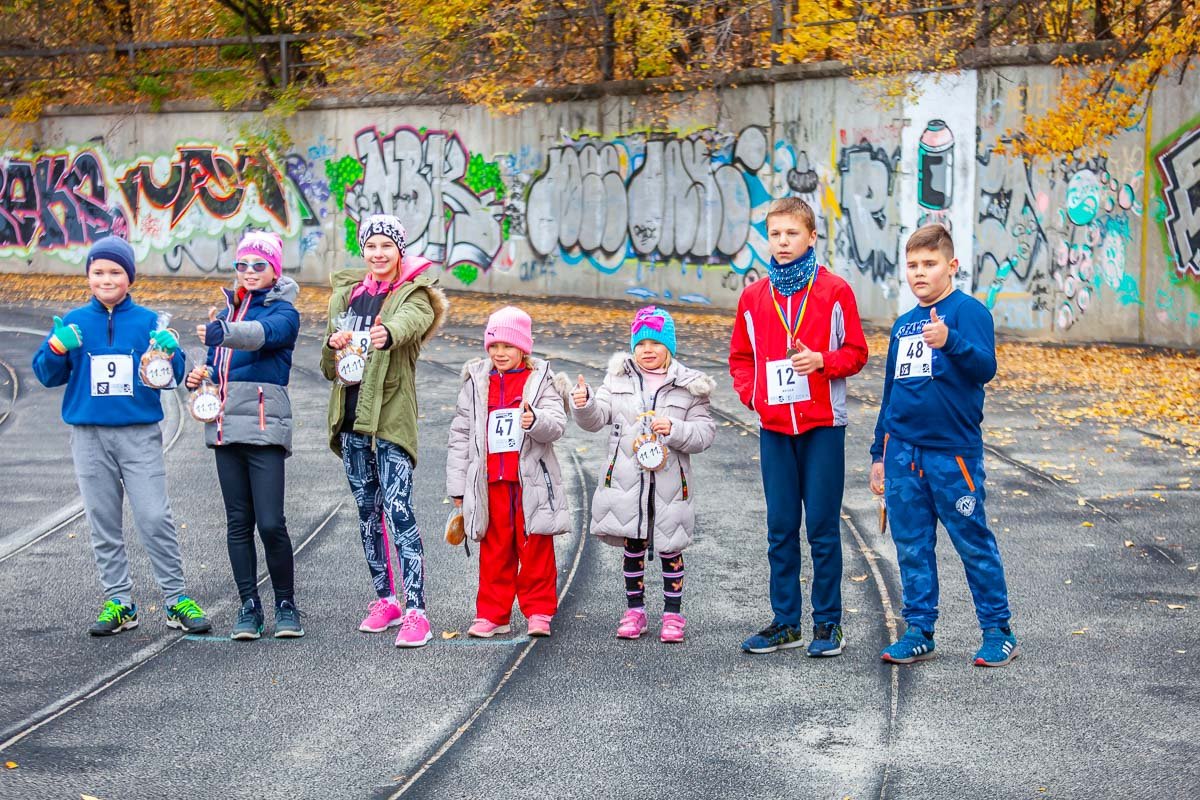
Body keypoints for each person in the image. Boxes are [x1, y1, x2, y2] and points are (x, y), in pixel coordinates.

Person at [32, 236, 211, 636]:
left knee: (153, 515)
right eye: (98, 272)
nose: (106, 279)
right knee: (103, 520)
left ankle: (175, 597)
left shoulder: (149, 322)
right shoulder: (74, 322)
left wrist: (172, 351)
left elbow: (174, 377)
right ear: (88, 276)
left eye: (115, 272)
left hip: (139, 435)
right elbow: (46, 375)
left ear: (129, 277)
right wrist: (57, 348)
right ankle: (120, 601)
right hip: (90, 437)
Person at [870, 223, 1018, 667]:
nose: (920, 273)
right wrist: (879, 453)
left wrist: (949, 340)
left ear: (951, 266)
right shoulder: (902, 325)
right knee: (911, 544)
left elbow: (985, 367)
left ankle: (998, 630)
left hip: (953, 455)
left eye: (929, 264)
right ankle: (919, 630)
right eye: (912, 265)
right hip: (903, 456)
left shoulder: (969, 312)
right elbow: (891, 393)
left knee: (973, 542)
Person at [729, 196, 868, 656]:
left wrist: (822, 362)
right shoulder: (753, 297)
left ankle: (827, 623)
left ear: (811, 237)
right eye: (775, 234)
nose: (783, 242)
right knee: (781, 526)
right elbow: (741, 358)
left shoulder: (834, 291)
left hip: (823, 425)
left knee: (823, 527)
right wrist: (752, 394)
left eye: (792, 234)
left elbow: (856, 353)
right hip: (775, 429)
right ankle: (785, 622)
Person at [321, 214, 448, 648]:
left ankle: (417, 611)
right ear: (363, 250)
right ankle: (386, 600)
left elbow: (412, 323)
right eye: (371, 246)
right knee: (367, 511)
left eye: (386, 246)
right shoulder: (345, 297)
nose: (378, 254)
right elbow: (327, 368)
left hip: (391, 420)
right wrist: (332, 345)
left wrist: (386, 332)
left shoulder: (415, 294)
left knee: (398, 510)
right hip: (353, 418)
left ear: (400, 251)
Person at [572, 306, 716, 643]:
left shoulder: (690, 386)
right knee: (633, 546)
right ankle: (634, 611)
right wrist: (584, 403)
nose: (647, 350)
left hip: (670, 484)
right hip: (628, 483)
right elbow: (596, 418)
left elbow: (705, 433)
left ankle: (673, 614)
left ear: (670, 347)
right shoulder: (616, 379)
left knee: (670, 547)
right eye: (641, 344)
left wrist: (676, 428)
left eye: (655, 343)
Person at [186, 231, 302, 640]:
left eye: (258, 265)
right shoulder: (225, 312)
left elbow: (258, 335)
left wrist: (222, 331)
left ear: (274, 270)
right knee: (239, 523)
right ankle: (248, 606)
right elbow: (216, 366)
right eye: (242, 265)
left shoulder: (283, 312)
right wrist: (197, 378)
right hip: (224, 428)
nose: (249, 272)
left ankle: (286, 603)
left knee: (271, 523)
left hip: (264, 428)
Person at [446, 306, 571, 638]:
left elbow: (557, 424)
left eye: (508, 346)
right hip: (490, 484)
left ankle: (539, 611)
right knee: (494, 550)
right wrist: (458, 487)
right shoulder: (476, 382)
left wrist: (535, 421)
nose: (500, 353)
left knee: (535, 548)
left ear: (523, 348)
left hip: (530, 481)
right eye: (494, 346)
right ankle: (493, 614)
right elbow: (460, 435)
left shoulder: (540, 380)